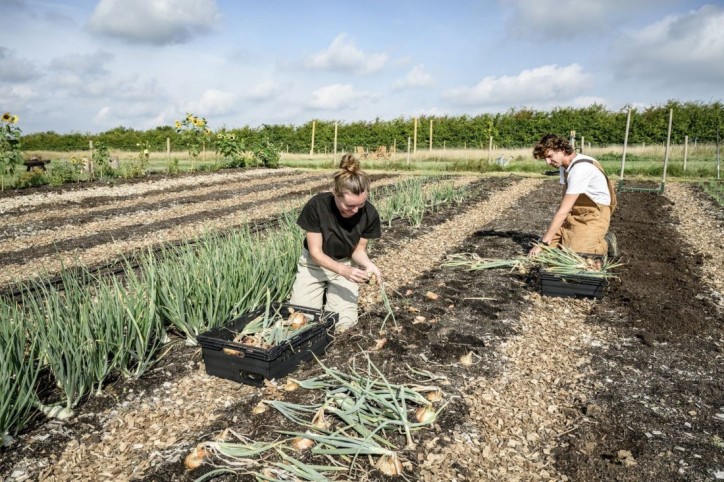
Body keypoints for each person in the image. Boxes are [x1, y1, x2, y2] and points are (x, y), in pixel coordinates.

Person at [288, 154, 382, 332]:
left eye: (360, 205)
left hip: (345, 262)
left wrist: (369, 265)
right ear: (336, 194)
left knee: (343, 325)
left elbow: (358, 250)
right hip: (314, 266)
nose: (355, 211)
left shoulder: (369, 213)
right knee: (300, 321)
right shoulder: (317, 206)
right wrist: (344, 271)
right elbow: (315, 252)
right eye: (349, 206)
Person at [529, 134, 617, 258]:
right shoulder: (564, 166)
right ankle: (575, 237)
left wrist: (543, 243)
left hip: (595, 214)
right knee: (546, 254)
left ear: (561, 150)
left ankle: (606, 242)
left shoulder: (580, 169)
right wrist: (551, 237)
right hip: (575, 212)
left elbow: (563, 210)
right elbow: (564, 202)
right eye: (545, 158)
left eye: (549, 156)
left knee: (578, 254)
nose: (548, 162)